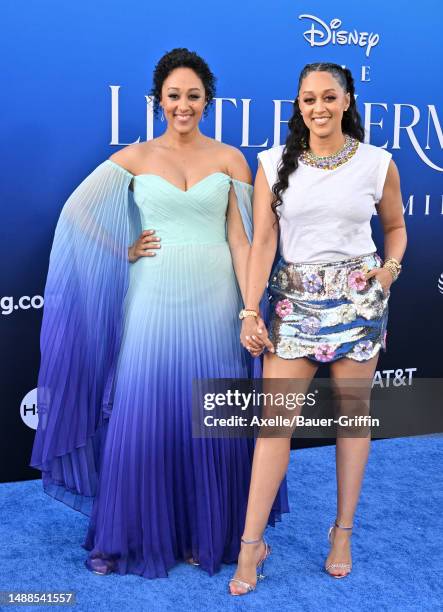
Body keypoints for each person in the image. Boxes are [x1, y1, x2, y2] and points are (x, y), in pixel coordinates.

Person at [30, 48, 288, 579]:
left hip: (217, 299)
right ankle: (130, 537)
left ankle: (204, 534)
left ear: (207, 100)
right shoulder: (137, 157)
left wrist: (247, 308)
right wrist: (122, 248)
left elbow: (243, 242)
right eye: (174, 96)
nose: (184, 105)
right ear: (159, 100)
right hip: (152, 296)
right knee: (145, 411)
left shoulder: (230, 159)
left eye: (193, 95)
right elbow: (77, 216)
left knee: (210, 416)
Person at [228, 62, 407, 595]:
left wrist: (389, 271)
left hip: (359, 301)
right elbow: (262, 243)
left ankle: (342, 531)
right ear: (299, 105)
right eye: (308, 99)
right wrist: (249, 308)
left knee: (352, 419)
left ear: (348, 100)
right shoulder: (271, 163)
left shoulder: (378, 163)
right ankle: (250, 544)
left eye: (329, 97)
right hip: (292, 307)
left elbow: (395, 229)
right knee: (272, 427)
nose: (319, 108)